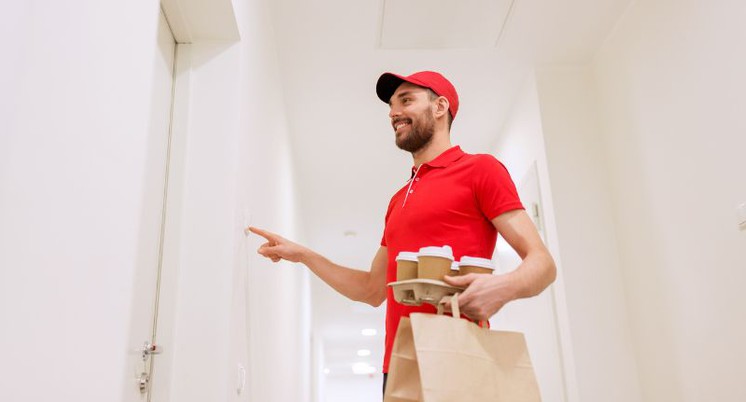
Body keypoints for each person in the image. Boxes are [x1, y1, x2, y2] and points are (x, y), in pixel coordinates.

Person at [248, 71, 556, 395]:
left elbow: (543, 265)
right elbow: (371, 290)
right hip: (398, 367)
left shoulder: (481, 170)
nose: (393, 113)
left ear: (440, 107)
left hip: (456, 357)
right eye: (391, 106)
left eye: (406, 100)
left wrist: (502, 288)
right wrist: (303, 255)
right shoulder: (399, 199)